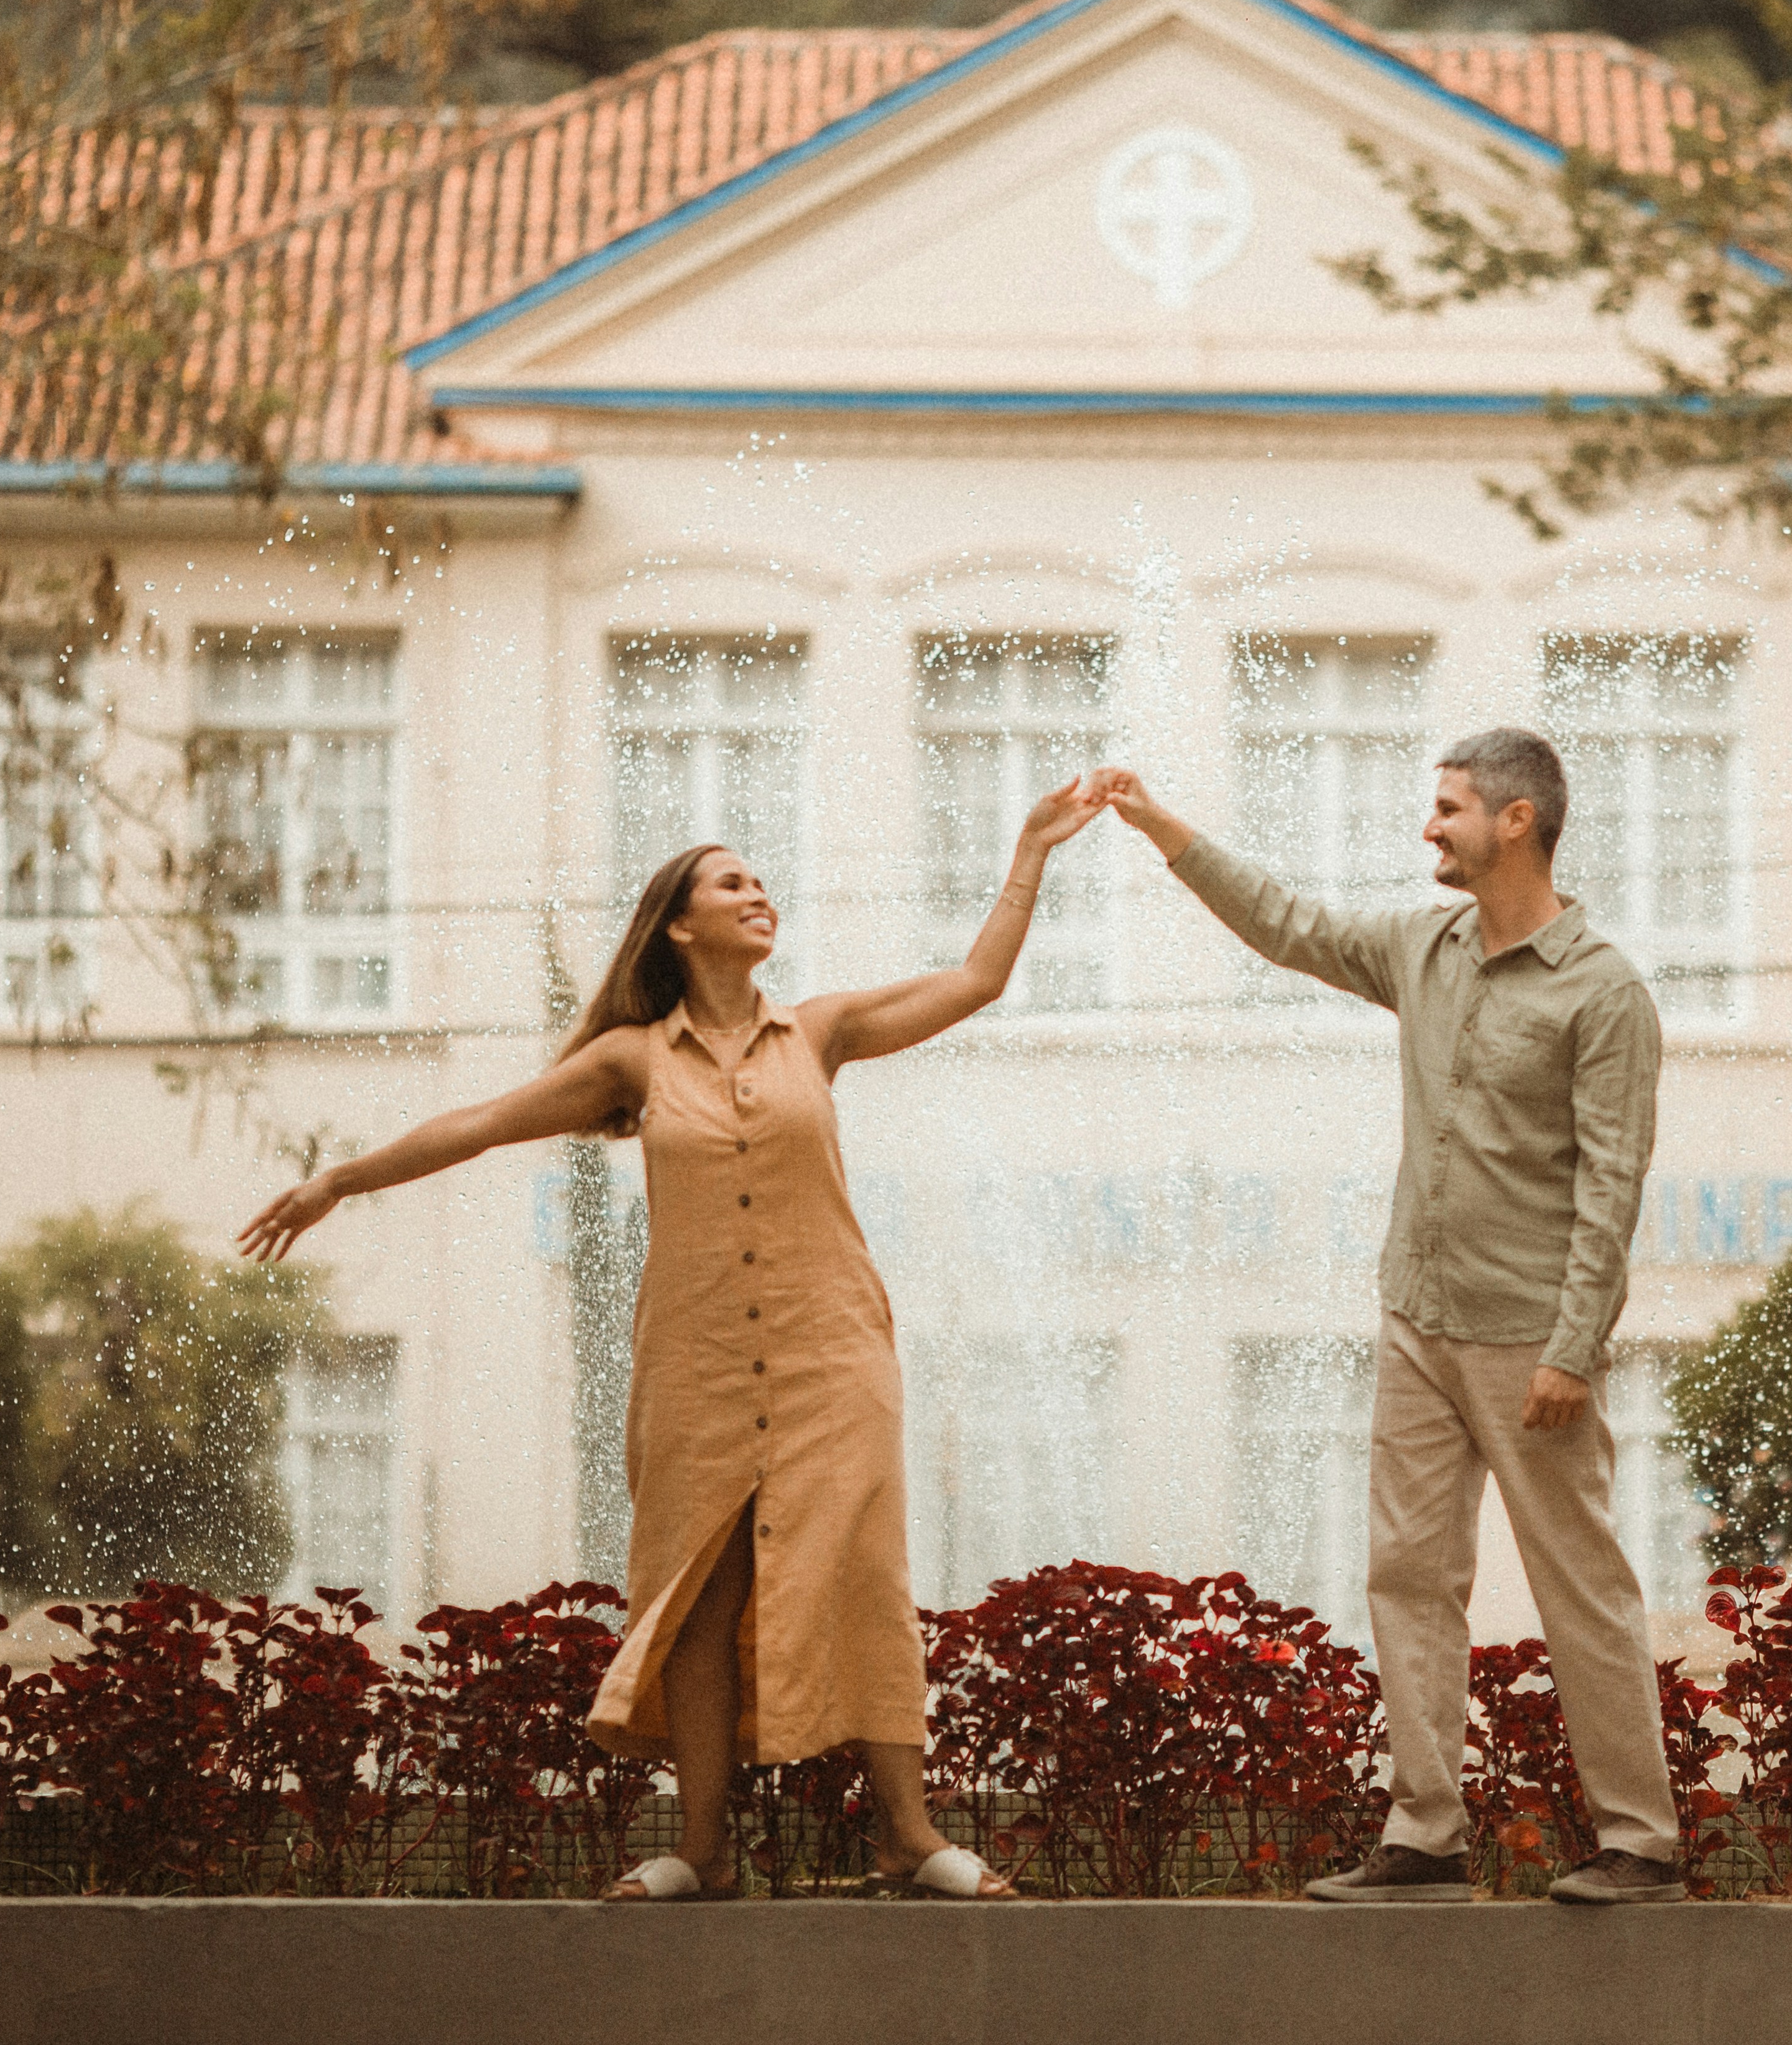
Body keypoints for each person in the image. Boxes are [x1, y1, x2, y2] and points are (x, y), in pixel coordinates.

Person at [239, 779, 1106, 1901]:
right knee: (700, 1583)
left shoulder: (822, 1031)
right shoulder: (636, 1061)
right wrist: (341, 1180)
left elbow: (976, 981)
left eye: (760, 880)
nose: (759, 892)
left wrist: (1030, 844)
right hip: (696, 1359)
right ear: (678, 925)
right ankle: (703, 1847)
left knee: (859, 1570)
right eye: (729, 881)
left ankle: (908, 1832)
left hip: (832, 1351)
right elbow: (485, 1121)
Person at [1090, 730, 1685, 1905]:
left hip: (1531, 1342)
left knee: (1580, 1579)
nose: (1431, 827)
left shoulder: (1604, 990)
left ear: (1517, 820)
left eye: (1450, 807)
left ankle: (1644, 1843)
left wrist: (1575, 1347)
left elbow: (1613, 1185)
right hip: (1417, 1316)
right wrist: (1162, 826)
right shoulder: (1425, 946)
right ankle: (1425, 1832)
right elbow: (1289, 922)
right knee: (1408, 1573)